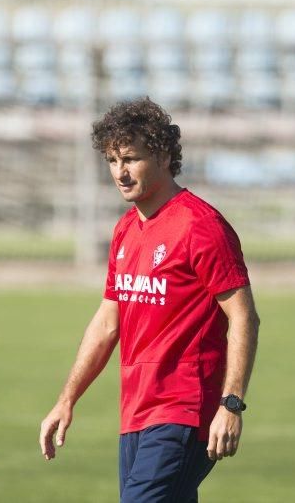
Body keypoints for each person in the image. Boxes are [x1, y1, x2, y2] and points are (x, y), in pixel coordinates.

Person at [39, 97, 261, 502]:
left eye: (130, 159)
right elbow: (108, 323)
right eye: (112, 160)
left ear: (161, 155)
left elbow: (244, 317)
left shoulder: (201, 226)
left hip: (184, 412)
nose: (120, 173)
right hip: (136, 414)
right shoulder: (125, 230)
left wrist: (231, 404)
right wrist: (66, 399)